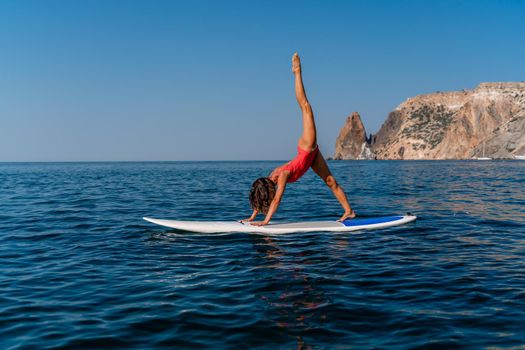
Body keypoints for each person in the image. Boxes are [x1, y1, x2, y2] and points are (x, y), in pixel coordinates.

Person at [242, 53, 356, 226]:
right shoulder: (272, 179)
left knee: (305, 107)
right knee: (331, 182)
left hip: (307, 148)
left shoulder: (280, 176)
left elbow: (277, 200)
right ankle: (349, 211)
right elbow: (264, 194)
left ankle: (297, 72)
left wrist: (265, 221)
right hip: (311, 157)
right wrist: (252, 217)